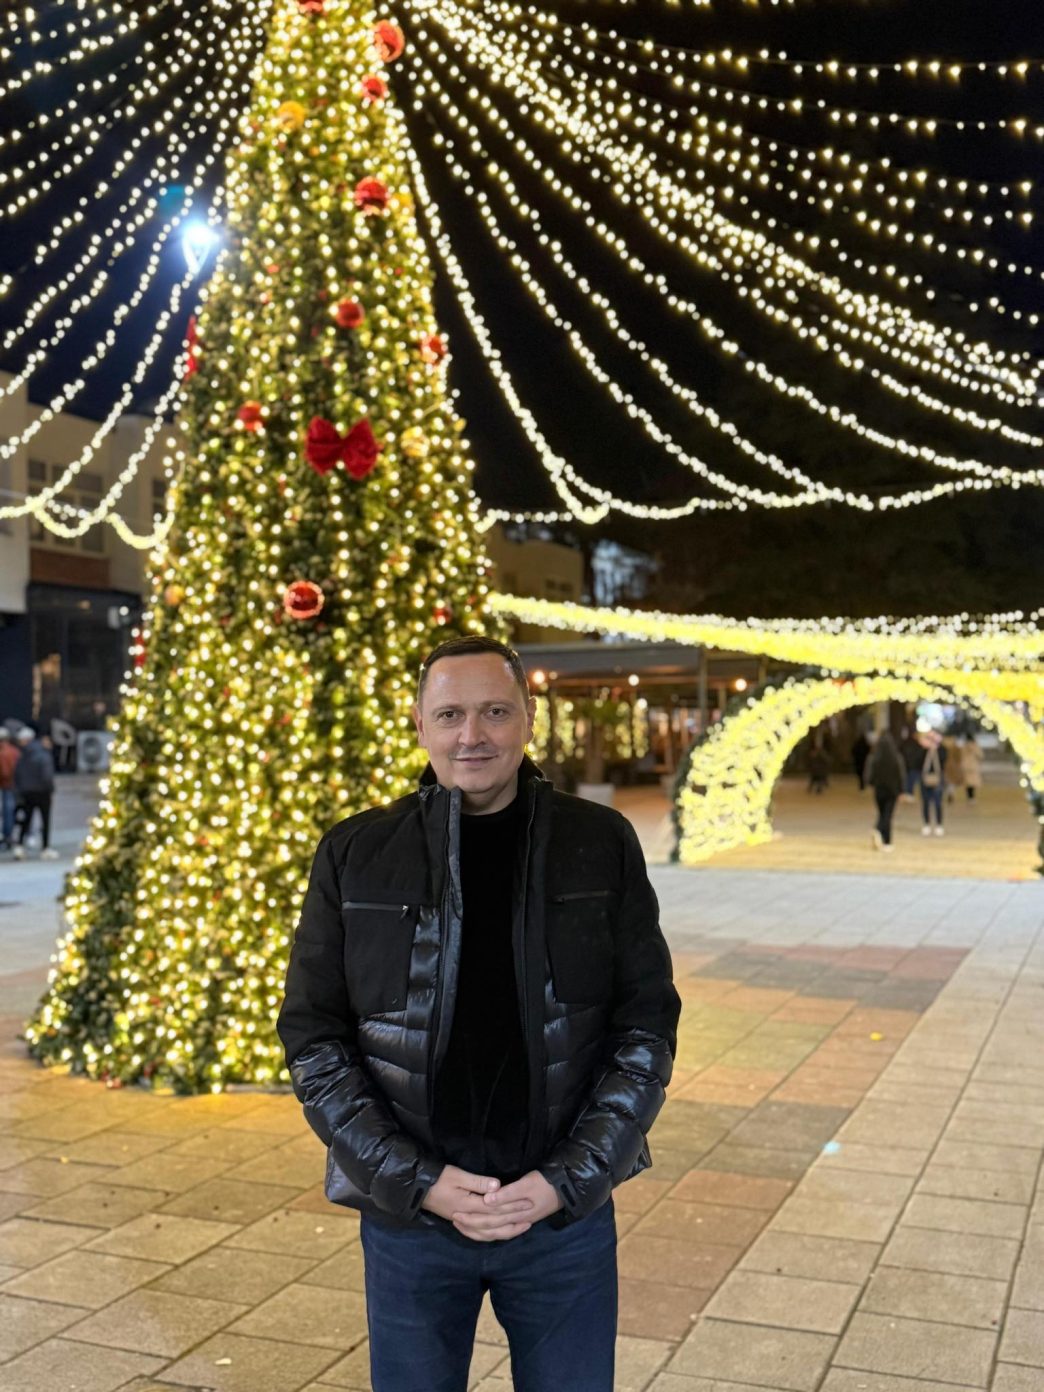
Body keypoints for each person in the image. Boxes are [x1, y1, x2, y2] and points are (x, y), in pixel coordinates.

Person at [278, 635, 680, 1392]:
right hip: (412, 1223)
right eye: (450, 714)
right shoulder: (356, 853)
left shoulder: (600, 843)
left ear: (529, 719)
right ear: (419, 725)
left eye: (496, 711)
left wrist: (569, 1178)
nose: (473, 735)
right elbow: (313, 1037)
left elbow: (646, 1028)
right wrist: (416, 1180)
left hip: (560, 1220)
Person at [11, 726, 57, 860]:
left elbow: (17, 774)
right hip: (43, 791)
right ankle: (45, 847)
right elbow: (47, 775)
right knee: (45, 820)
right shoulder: (44, 754)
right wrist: (50, 789)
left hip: (27, 791)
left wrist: (19, 790)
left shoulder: (23, 755)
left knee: (26, 819)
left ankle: (19, 846)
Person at [866, 730, 905, 852]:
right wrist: (901, 790)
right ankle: (886, 840)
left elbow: (869, 775)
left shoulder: (874, 757)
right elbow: (901, 775)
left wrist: (872, 784)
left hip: (879, 790)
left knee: (882, 813)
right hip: (892, 790)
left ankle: (878, 832)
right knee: (887, 815)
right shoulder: (896, 758)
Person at [920, 736, 947, 837]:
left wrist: (937, 748)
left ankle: (939, 824)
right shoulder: (923, 751)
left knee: (938, 803)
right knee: (926, 803)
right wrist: (924, 748)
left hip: (938, 779)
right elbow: (917, 761)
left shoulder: (941, 750)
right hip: (925, 779)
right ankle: (926, 824)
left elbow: (944, 758)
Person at [0, 729, 19, 851]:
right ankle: (9, 835)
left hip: (6, 784)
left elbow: (5, 772)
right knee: (10, 811)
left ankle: (7, 836)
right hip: (14, 784)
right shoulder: (15, 751)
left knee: (7, 811)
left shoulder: (3, 753)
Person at [899, 729, 924, 803]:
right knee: (912, 782)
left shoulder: (904, 743)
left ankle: (907, 794)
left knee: (907, 781)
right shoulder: (917, 745)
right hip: (915, 767)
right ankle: (910, 795)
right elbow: (920, 756)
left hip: (906, 766)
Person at [960, 734, 984, 801]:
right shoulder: (975, 746)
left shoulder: (964, 746)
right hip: (974, 766)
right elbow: (980, 755)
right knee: (973, 782)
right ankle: (972, 796)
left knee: (967, 782)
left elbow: (961, 756)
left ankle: (969, 796)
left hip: (965, 766)